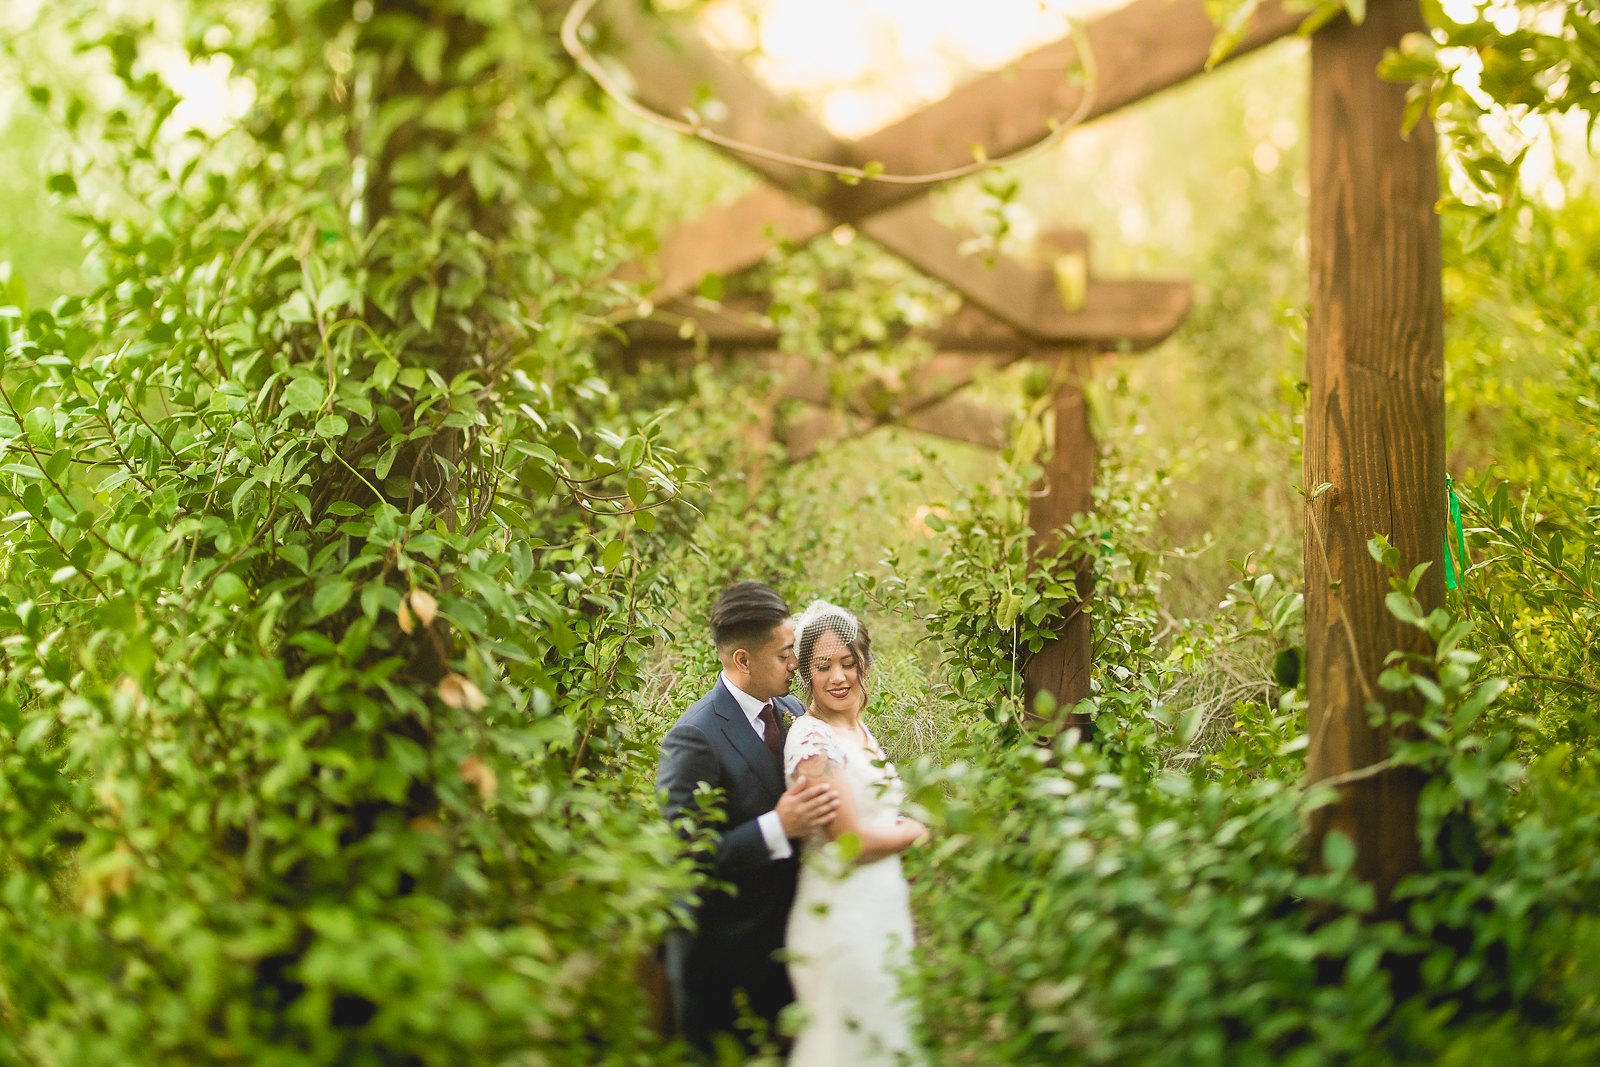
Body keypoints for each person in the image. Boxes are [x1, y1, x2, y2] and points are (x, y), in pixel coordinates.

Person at [657, 581, 841, 1057]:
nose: (795, 664)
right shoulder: (693, 738)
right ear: (742, 660)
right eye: (784, 655)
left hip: (786, 948)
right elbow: (689, 855)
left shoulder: (792, 711)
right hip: (723, 960)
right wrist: (778, 826)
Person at [783, 600, 928, 1066]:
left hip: (882, 912)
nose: (838, 677)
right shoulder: (811, 741)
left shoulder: (858, 729)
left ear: (863, 663)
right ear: (806, 670)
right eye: (823, 667)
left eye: (848, 663)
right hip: (840, 921)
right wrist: (914, 832)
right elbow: (849, 843)